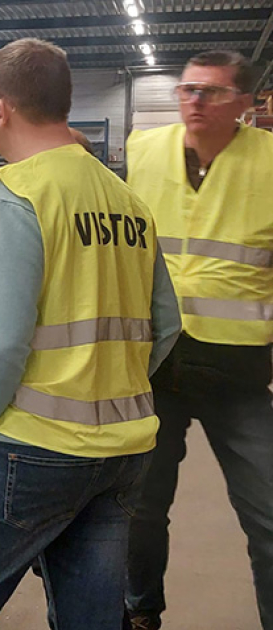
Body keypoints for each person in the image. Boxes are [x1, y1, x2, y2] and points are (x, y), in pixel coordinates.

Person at [0, 38, 182, 629]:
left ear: (1, 108)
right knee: (90, 616)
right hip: (122, 450)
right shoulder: (127, 200)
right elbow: (166, 323)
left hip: (30, 447)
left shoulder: (19, 195)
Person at [125, 50, 273, 630]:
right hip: (155, 366)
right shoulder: (143, 150)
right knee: (140, 510)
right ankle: (140, 612)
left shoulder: (268, 163)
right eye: (188, 89)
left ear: (245, 103)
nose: (195, 101)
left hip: (238, 375)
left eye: (211, 91)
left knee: (267, 515)